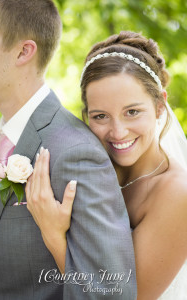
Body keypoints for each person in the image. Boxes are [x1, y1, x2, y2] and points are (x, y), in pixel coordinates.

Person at [0, 2, 136, 300]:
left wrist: (55, 237)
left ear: (23, 52)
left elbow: (111, 292)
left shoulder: (76, 152)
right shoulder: (0, 142)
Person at [26, 31, 187, 300]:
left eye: (132, 112)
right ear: (85, 116)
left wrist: (54, 236)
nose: (118, 132)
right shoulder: (88, 169)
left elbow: (121, 296)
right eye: (101, 116)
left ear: (160, 106)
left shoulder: (177, 194)